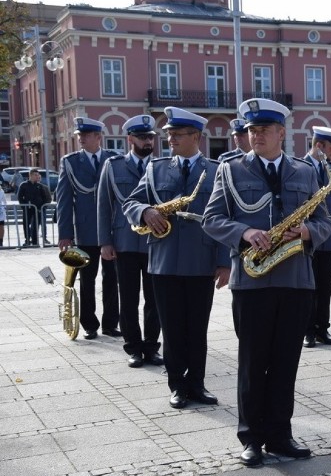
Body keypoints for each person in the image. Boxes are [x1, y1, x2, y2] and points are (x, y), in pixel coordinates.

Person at [203, 98, 331, 467]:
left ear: (281, 133)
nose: (255, 136)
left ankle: (280, 433)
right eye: (250, 130)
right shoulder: (229, 171)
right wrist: (244, 232)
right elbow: (211, 219)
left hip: (295, 279)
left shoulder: (306, 172)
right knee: (252, 361)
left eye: (263, 130)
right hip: (252, 281)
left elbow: (326, 222)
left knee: (285, 361)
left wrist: (307, 230)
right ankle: (251, 438)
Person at [123, 107, 230, 409]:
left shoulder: (216, 169)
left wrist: (225, 261)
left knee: (197, 328)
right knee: (171, 328)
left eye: (177, 134)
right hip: (164, 261)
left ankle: (197, 383)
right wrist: (145, 211)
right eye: (168, 134)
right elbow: (131, 201)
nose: (169, 139)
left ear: (196, 136)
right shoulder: (156, 168)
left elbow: (225, 216)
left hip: (202, 260)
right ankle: (177, 385)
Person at [97, 115, 162, 368]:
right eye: (143, 137)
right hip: (124, 242)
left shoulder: (161, 166)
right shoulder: (113, 166)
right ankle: (133, 347)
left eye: (151, 137)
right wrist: (105, 242)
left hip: (155, 242)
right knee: (129, 298)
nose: (148, 142)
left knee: (155, 299)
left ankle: (151, 346)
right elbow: (104, 206)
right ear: (130, 139)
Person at [56, 118, 120, 340]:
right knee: (88, 279)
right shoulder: (71, 162)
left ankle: (111, 323)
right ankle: (89, 324)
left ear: (98, 137)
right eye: (79, 135)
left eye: (86, 135)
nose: (80, 138)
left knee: (112, 278)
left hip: (111, 231)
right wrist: (65, 234)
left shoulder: (113, 159)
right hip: (85, 231)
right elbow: (64, 201)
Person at [302, 126, 331, 348]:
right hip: (306, 236)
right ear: (319, 146)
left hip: (330, 237)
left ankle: (322, 328)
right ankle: (307, 330)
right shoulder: (299, 167)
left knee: (325, 286)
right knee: (307, 286)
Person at [17, 169, 52, 246]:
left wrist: (42, 207)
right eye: (35, 175)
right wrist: (24, 206)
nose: (37, 177)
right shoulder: (24, 185)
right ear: (30, 176)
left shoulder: (39, 186)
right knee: (26, 224)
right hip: (27, 208)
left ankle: (35, 241)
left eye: (38, 175)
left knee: (35, 225)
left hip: (38, 209)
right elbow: (20, 197)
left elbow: (45, 198)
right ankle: (27, 240)